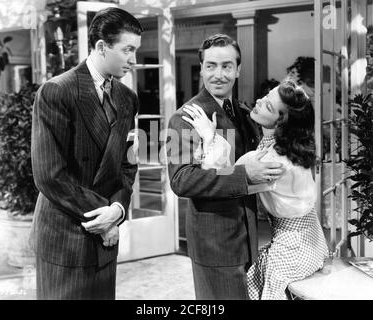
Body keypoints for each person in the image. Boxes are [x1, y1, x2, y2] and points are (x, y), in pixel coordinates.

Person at [30, 7, 142, 300]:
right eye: (128, 50)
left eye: (136, 51)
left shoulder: (127, 98)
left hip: (105, 237)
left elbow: (127, 165)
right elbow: (49, 175)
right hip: (65, 236)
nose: (134, 60)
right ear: (102, 47)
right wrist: (102, 218)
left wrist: (117, 211)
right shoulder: (57, 91)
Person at [182, 79, 330, 300]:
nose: (259, 102)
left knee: (259, 287)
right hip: (312, 238)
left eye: (268, 106)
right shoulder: (285, 146)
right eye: (266, 96)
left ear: (281, 123)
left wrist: (209, 136)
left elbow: (221, 176)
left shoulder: (271, 160)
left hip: (293, 248)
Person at [166, 34, 285, 300]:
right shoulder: (184, 117)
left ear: (238, 69)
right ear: (202, 68)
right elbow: (182, 179)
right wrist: (244, 176)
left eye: (227, 66)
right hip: (215, 242)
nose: (218, 74)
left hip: (248, 237)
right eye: (211, 66)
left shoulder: (243, 113)